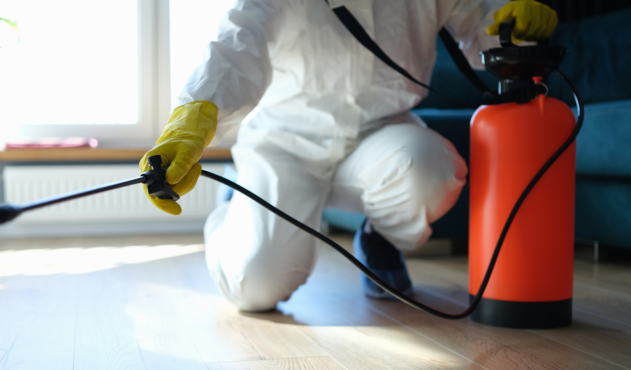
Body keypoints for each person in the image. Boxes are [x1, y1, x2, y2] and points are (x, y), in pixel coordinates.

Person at [139, 0, 558, 311]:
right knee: (256, 285)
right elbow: (237, 42)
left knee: (436, 171)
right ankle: (234, 211)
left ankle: (380, 239)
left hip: (379, 133)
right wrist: (193, 116)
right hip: (286, 140)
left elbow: (483, 26)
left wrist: (516, 24)